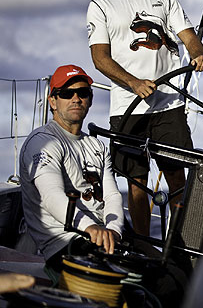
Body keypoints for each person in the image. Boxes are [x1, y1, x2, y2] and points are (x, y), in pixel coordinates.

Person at [86, 0, 203, 236]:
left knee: (176, 177)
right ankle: (144, 246)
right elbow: (99, 58)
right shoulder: (101, 4)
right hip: (127, 106)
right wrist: (133, 83)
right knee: (137, 182)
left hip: (168, 104)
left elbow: (188, 35)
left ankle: (183, 245)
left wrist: (198, 55)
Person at [19, 65, 124, 275]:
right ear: (52, 102)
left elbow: (112, 195)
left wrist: (114, 230)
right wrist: (90, 228)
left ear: (90, 99)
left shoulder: (97, 146)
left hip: (102, 237)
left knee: (168, 273)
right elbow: (51, 196)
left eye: (82, 93)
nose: (76, 99)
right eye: (67, 93)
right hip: (65, 243)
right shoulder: (42, 142)